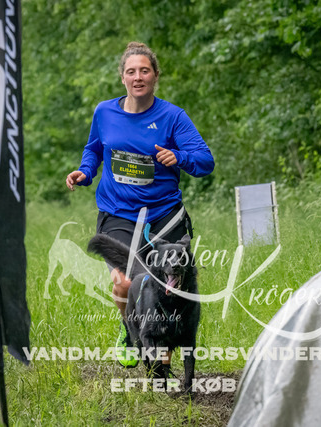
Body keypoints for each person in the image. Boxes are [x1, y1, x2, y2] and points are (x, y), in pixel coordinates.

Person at [66, 42, 214, 368]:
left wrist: (179, 157)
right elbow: (94, 149)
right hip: (118, 213)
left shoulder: (173, 117)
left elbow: (205, 161)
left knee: (169, 288)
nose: (138, 77)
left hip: (164, 216)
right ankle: (129, 327)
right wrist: (85, 172)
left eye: (144, 71)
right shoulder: (105, 112)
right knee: (125, 284)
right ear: (122, 77)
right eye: (131, 72)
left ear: (155, 76)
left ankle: (161, 371)